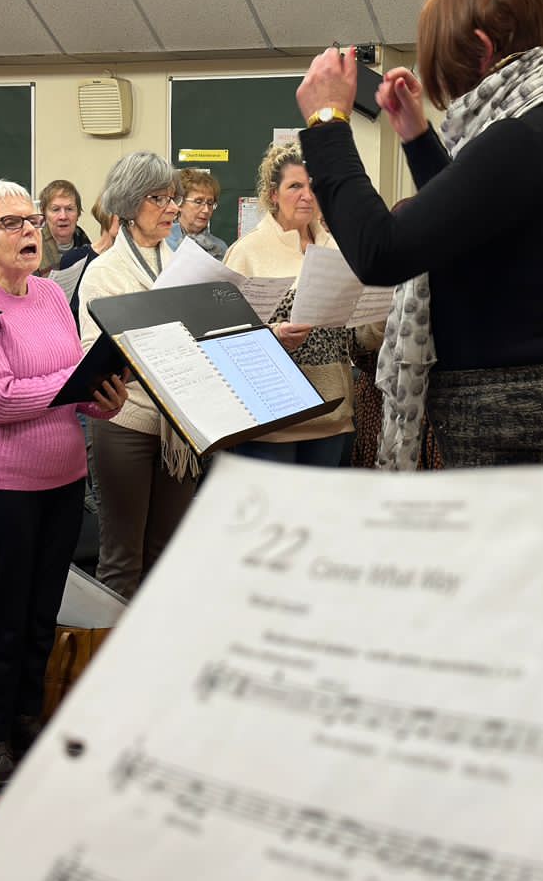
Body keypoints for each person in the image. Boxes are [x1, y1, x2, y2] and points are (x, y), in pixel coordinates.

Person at [293, 0, 543, 468]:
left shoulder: (520, 138)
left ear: (483, 48)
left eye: (448, 70)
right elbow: (471, 228)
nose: (450, 91)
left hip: (513, 422)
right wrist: (417, 138)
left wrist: (328, 124)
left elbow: (383, 252)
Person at [0, 180, 128, 789]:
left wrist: (102, 397)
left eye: (33, 221)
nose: (29, 231)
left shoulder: (48, 294)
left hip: (63, 476)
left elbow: (70, 380)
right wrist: (72, 387)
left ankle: (27, 721)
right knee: (4, 616)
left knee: (43, 612)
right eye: (12, 223)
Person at [76, 151, 195, 596]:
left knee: (167, 555)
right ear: (128, 203)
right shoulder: (103, 272)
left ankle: (156, 636)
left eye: (173, 197)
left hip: (178, 425)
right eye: (158, 198)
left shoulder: (183, 262)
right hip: (124, 421)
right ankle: (114, 639)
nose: (172, 207)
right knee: (122, 557)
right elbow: (95, 356)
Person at [222, 142, 357, 466]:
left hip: (331, 414)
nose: (307, 196)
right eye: (295, 186)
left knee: (319, 502)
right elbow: (223, 336)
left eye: (313, 186)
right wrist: (274, 335)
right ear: (273, 194)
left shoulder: (337, 249)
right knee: (272, 502)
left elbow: (355, 338)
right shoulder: (247, 252)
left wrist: (381, 309)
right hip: (271, 419)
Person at [166, 166, 226, 260]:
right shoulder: (162, 242)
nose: (206, 210)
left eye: (210, 203)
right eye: (198, 202)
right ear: (180, 203)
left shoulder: (220, 248)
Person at [41, 178, 90, 267]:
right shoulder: (33, 248)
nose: (63, 216)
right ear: (44, 214)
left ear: (78, 213)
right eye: (56, 209)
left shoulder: (86, 246)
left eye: (69, 209)